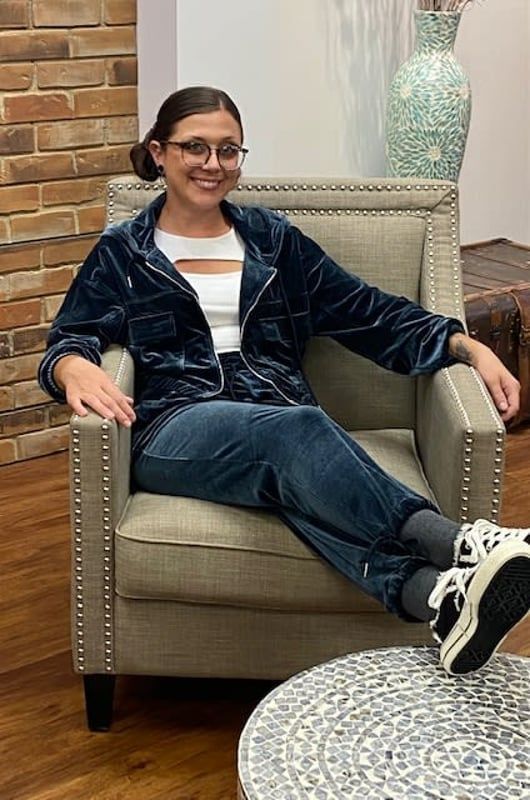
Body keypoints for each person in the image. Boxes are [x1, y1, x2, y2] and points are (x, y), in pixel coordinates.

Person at [38, 86, 530, 676]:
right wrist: (71, 366)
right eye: (195, 147)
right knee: (297, 433)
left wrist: (462, 343)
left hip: (276, 419)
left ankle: (432, 597)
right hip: (175, 428)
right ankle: (458, 544)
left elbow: (367, 312)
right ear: (160, 152)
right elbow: (69, 337)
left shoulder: (274, 241)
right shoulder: (123, 252)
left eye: (228, 151)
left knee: (297, 472)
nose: (212, 165)